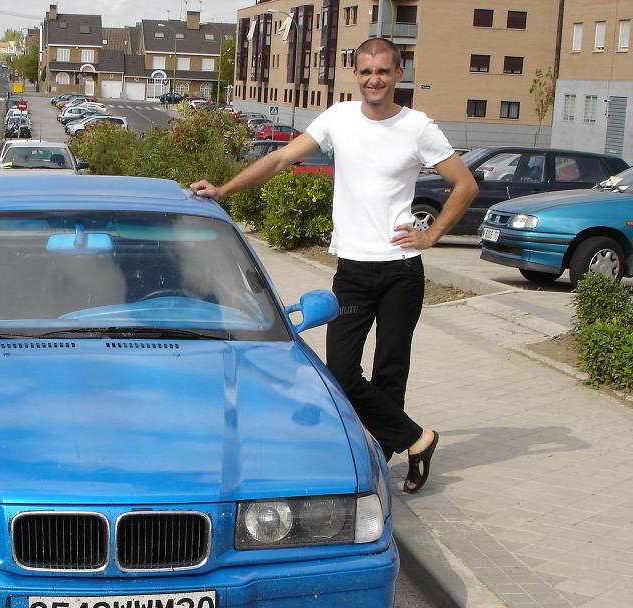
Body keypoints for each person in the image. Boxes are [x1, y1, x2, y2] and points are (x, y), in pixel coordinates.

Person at [191, 37, 477, 493]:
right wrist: (224, 191)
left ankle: (381, 463)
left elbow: (464, 184)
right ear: (356, 74)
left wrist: (431, 235)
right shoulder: (338, 118)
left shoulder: (417, 127)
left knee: (390, 371)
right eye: (366, 71)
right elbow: (280, 158)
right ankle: (417, 439)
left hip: (401, 269)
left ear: (398, 74)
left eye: (382, 71)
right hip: (354, 270)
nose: (373, 79)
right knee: (341, 370)